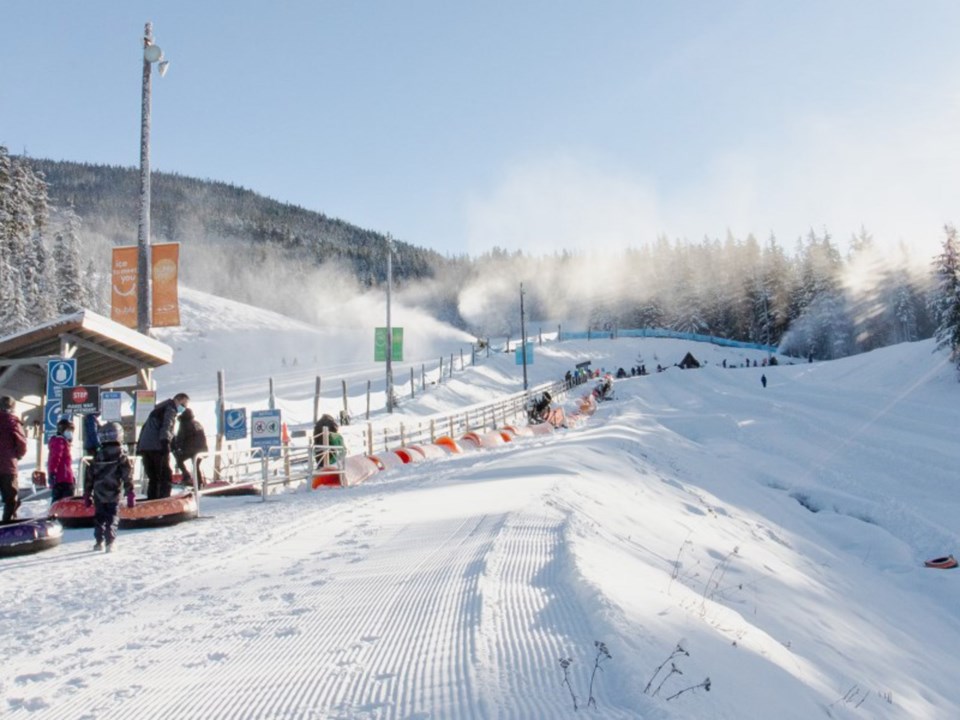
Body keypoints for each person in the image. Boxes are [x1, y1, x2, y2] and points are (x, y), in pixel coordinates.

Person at [84, 421, 135, 553]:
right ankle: (110, 542)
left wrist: (87, 493)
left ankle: (98, 542)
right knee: (112, 517)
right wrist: (130, 492)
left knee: (99, 517)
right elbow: (127, 476)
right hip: (114, 492)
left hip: (99, 493)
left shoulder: (97, 455)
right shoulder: (121, 456)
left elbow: (89, 476)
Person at [137, 392, 189, 500]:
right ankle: (163, 501)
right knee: (165, 475)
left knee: (153, 477)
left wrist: (139, 446)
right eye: (183, 405)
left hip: (145, 446)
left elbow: (145, 427)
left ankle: (152, 499)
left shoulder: (158, 408)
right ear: (178, 400)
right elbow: (167, 426)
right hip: (157, 446)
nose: (183, 409)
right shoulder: (170, 409)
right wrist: (166, 443)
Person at [0, 396, 27, 523]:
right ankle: (6, 526)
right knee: (10, 498)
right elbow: (21, 443)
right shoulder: (13, 422)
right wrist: (19, 455)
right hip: (7, 467)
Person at [172, 407, 208, 488]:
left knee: (179, 460)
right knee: (196, 466)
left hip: (191, 449)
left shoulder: (184, 423)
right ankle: (199, 484)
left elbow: (181, 437)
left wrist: (178, 448)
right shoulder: (197, 423)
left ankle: (186, 475)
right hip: (202, 449)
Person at [47, 417, 77, 503]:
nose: (70, 433)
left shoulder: (63, 441)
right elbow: (55, 457)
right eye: (68, 430)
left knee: (60, 501)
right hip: (63, 478)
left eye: (71, 430)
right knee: (66, 502)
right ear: (62, 430)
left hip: (64, 477)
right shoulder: (60, 441)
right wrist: (52, 472)